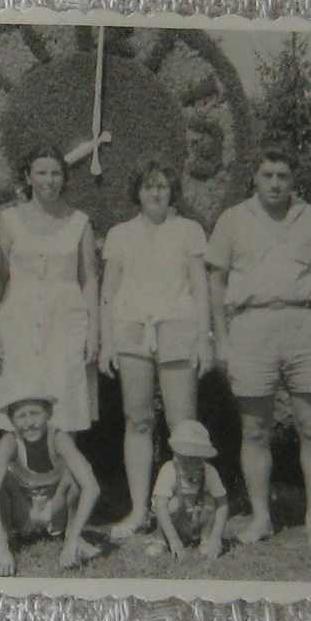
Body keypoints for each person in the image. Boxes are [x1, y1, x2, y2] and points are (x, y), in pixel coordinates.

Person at [206, 146, 311, 551]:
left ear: (293, 180)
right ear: (255, 177)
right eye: (267, 175)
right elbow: (215, 281)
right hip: (251, 328)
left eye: (283, 175)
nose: (275, 183)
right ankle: (262, 518)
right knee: (254, 429)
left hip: (305, 325)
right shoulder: (233, 219)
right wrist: (223, 339)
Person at [99, 158, 212, 539]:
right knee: (138, 420)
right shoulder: (119, 234)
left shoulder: (190, 231)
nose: (155, 192)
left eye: (162, 185)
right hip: (131, 329)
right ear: (138, 191)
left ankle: (184, 512)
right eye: (149, 185)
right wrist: (107, 343)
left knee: (183, 426)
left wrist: (203, 338)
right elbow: (108, 294)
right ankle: (137, 512)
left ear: (172, 191)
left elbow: (200, 289)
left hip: (179, 327)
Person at [0, 145, 99, 434]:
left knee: (65, 401)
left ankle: (64, 476)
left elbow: (89, 281)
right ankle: (18, 476)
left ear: (65, 178)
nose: (49, 180)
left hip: (65, 323)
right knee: (17, 399)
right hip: (18, 321)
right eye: (42, 173)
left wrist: (94, 333)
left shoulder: (80, 223)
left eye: (56, 173)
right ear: (28, 176)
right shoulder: (8, 220)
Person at [0, 386, 101, 576]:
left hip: (55, 510)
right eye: (21, 416)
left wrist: (74, 537)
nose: (29, 423)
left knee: (74, 476)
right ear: (11, 420)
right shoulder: (9, 442)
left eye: (35, 413)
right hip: (23, 511)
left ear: (48, 413)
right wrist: (1, 548)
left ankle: (72, 538)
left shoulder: (59, 438)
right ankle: (2, 538)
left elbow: (92, 487)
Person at [146, 420, 229, 559]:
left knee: (211, 502)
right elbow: (160, 507)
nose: (192, 462)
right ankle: (161, 540)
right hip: (176, 521)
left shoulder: (209, 471)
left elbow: (223, 504)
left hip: (197, 518)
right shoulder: (169, 470)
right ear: (176, 453)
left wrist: (217, 538)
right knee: (169, 505)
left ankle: (206, 539)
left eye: (197, 458)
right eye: (186, 457)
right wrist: (174, 540)